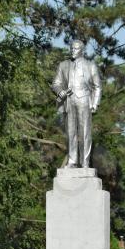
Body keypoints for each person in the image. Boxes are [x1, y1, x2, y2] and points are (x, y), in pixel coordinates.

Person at [52, 40, 102, 168]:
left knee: (85, 133)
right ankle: (72, 161)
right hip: (69, 101)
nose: (72, 50)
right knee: (71, 133)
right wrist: (60, 92)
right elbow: (56, 83)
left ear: (82, 50)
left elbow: (97, 86)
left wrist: (95, 104)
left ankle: (85, 162)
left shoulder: (90, 65)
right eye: (71, 48)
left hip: (84, 100)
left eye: (75, 49)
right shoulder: (63, 65)